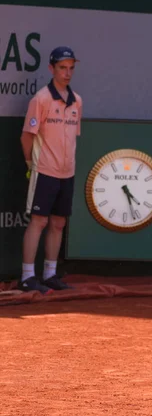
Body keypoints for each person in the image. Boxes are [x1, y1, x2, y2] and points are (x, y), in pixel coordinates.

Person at [18, 46, 82, 294]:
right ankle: (26, 276)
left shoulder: (77, 101)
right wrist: (29, 164)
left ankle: (50, 275)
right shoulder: (41, 99)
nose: (67, 73)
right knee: (38, 221)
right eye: (62, 68)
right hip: (44, 170)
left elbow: (72, 138)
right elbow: (26, 137)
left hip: (67, 172)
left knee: (58, 223)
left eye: (71, 68)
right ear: (51, 69)